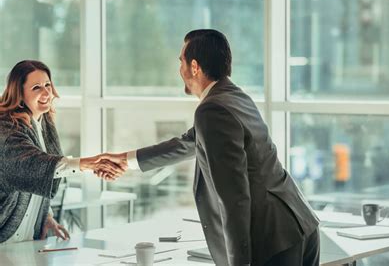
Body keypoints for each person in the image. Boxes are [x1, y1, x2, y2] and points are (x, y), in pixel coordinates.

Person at [100, 30, 320, 266]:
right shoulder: (233, 96)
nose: (179, 70)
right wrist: (126, 159)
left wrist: (239, 262)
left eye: (180, 61)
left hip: (272, 239)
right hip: (299, 224)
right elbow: (188, 143)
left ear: (194, 67)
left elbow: (233, 195)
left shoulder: (212, 110)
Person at [0, 60, 122, 244]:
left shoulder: (44, 123)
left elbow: (41, 179)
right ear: (19, 93)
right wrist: (86, 163)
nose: (46, 92)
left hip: (25, 239)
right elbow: (33, 165)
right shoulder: (6, 128)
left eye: (48, 84)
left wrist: (46, 217)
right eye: (36, 87)